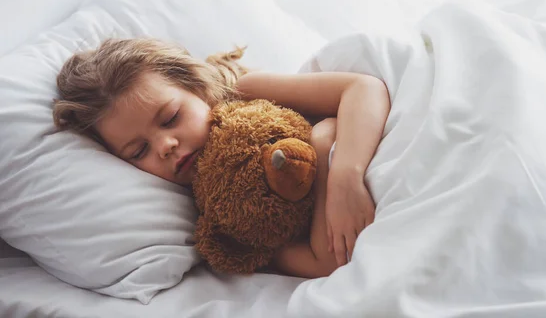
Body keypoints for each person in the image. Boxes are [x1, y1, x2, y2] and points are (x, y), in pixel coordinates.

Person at [53, 38, 390, 278]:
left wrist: (345, 174)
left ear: (197, 88)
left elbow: (363, 88)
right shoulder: (221, 221)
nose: (166, 145)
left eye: (171, 118)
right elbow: (326, 263)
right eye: (139, 151)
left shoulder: (248, 91)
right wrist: (323, 147)